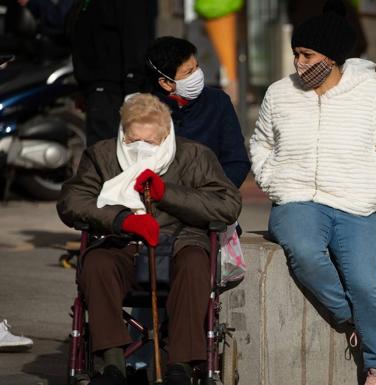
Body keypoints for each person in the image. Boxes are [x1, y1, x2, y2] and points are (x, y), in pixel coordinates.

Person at [249, 1, 376, 384]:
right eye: (295, 55)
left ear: (333, 58)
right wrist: (274, 181)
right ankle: (357, 321)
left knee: (366, 282)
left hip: (356, 204)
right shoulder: (279, 94)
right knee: (304, 254)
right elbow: (260, 145)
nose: (298, 63)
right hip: (298, 200)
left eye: (307, 55)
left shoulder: (370, 94)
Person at [57, 94, 242, 385]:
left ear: (167, 135)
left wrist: (166, 194)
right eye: (133, 140)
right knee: (96, 263)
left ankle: (179, 365)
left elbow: (227, 205)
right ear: (122, 133)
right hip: (122, 243)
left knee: (196, 265)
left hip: (179, 244)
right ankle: (113, 363)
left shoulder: (195, 155)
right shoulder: (102, 155)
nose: (141, 148)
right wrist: (122, 220)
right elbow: (72, 201)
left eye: (151, 142)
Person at [145, 36, 250, 188]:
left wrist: (217, 194)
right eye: (188, 72)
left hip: (211, 200)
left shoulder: (218, 101)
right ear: (166, 83)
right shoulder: (144, 110)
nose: (197, 75)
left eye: (197, 67)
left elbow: (236, 160)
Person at [70, 0, 151, 146]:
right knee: (103, 155)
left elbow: (135, 37)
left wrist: (133, 89)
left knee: (109, 156)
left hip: (115, 91)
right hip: (97, 91)